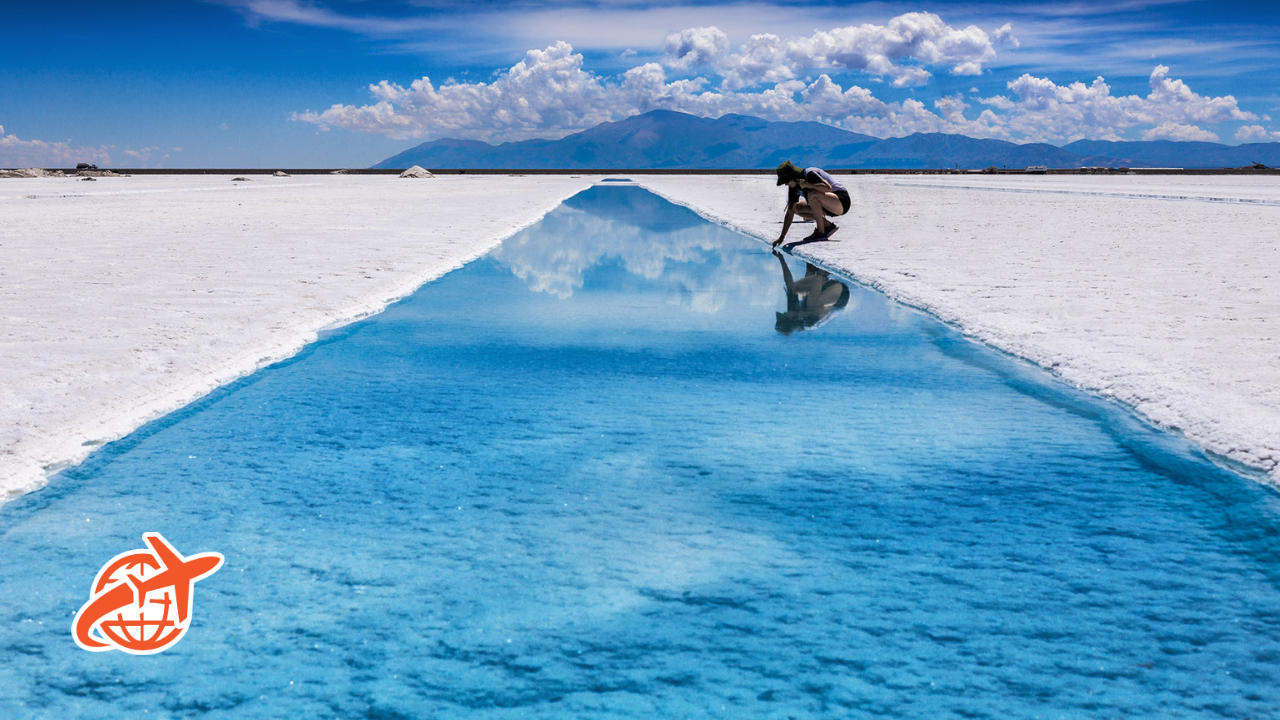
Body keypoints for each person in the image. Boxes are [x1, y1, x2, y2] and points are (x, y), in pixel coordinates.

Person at [771, 161, 851, 248]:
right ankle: (827, 226)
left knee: (812, 194)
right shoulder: (793, 187)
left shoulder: (809, 173)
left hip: (841, 201)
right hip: (826, 206)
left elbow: (827, 188)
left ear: (792, 177)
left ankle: (821, 232)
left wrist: (807, 185)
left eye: (786, 181)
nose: (786, 184)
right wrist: (782, 237)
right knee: (796, 208)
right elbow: (790, 211)